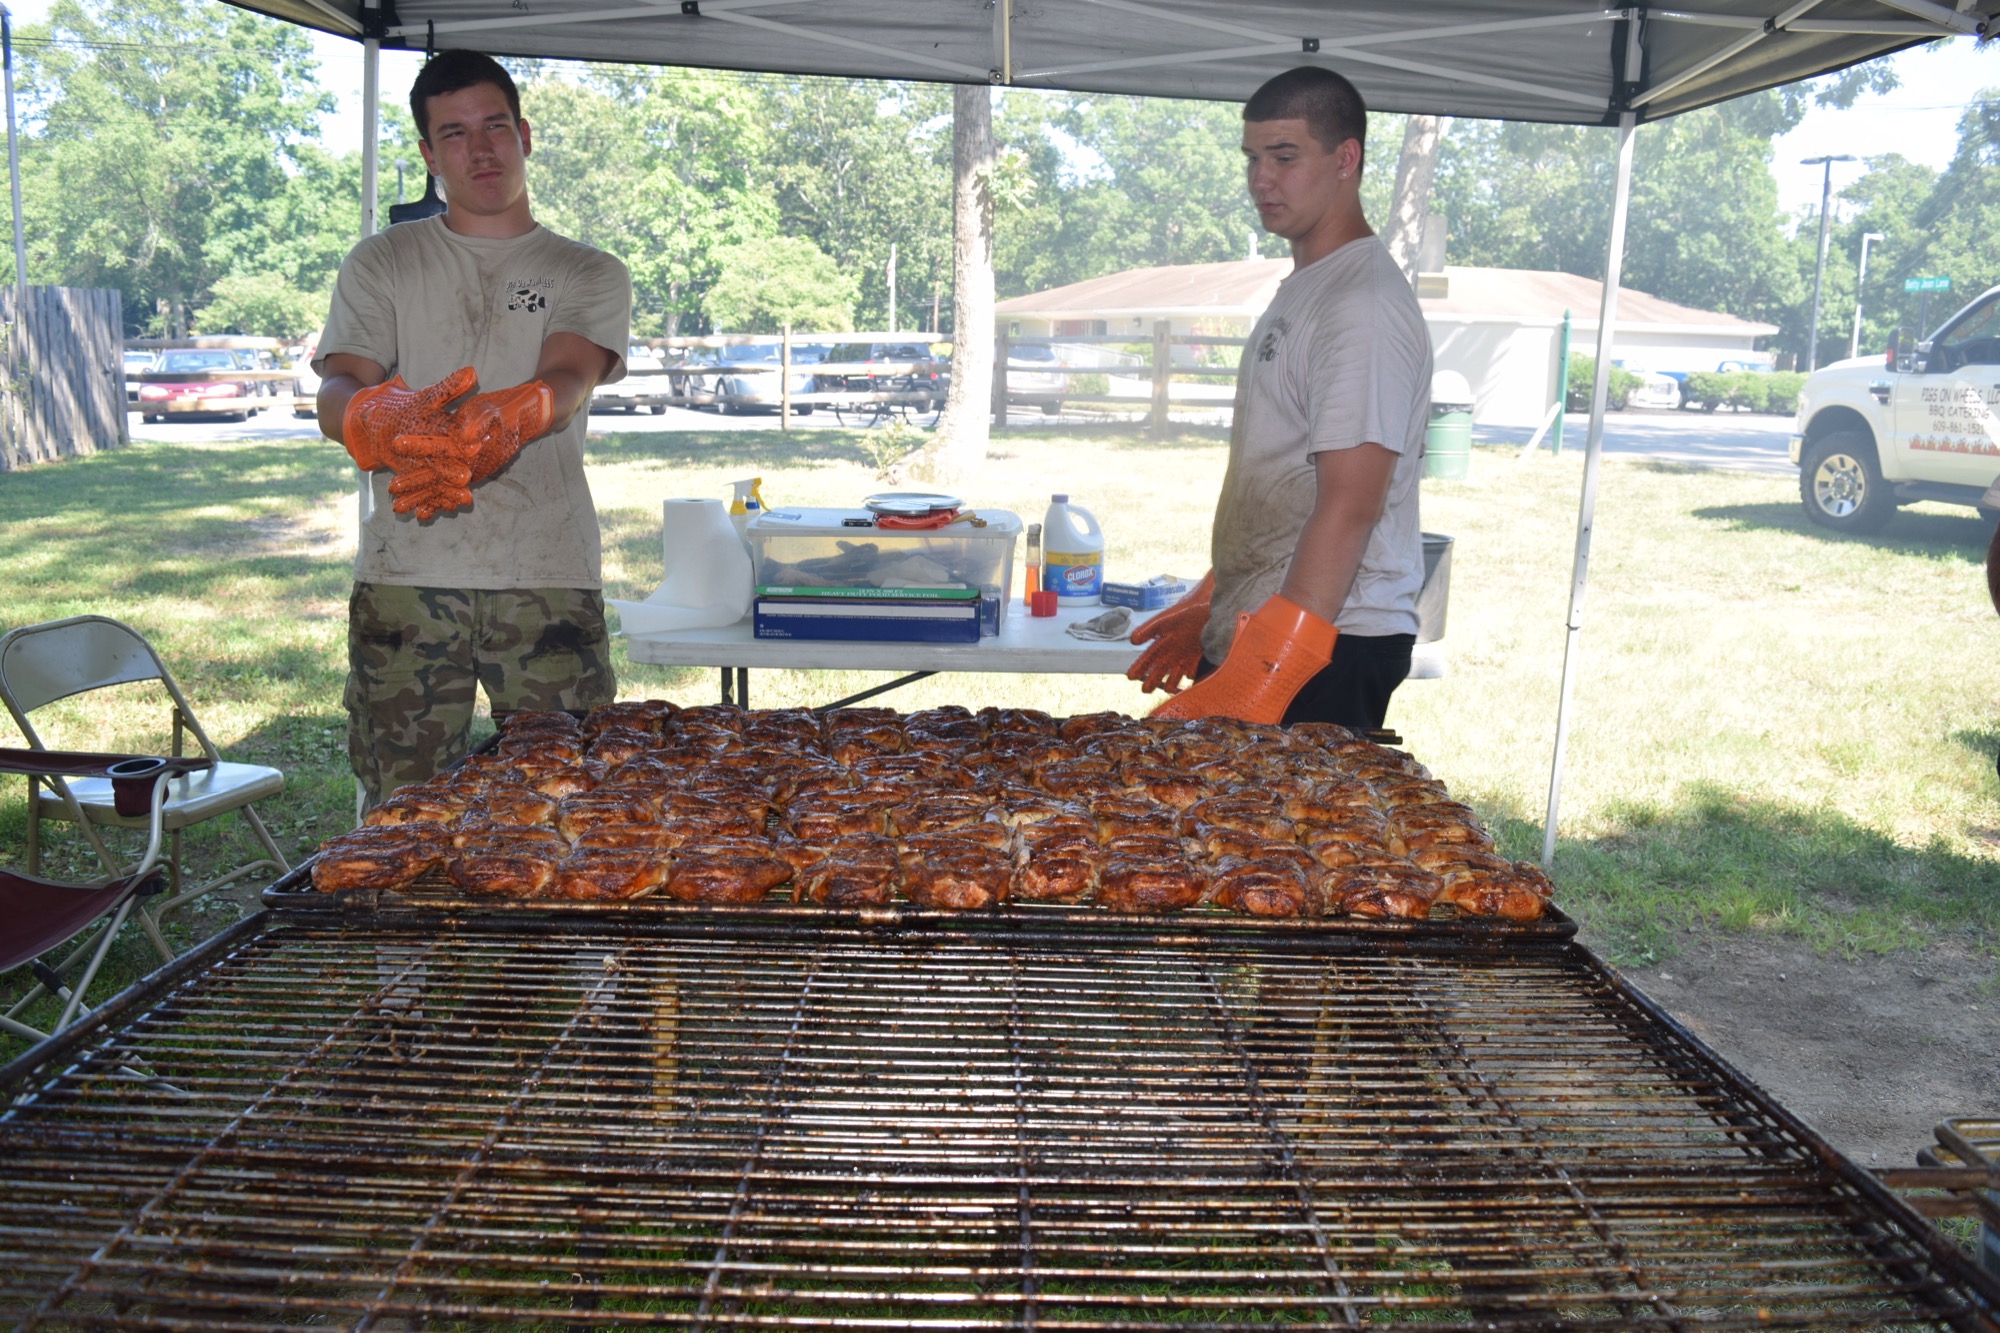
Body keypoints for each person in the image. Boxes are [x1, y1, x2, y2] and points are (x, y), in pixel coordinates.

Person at [314, 49, 631, 806]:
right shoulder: (382, 261)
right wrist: (373, 419)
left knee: (566, 799)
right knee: (403, 806)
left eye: (494, 125)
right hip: (406, 574)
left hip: (547, 569)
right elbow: (336, 383)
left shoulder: (586, 269)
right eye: (453, 134)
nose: (479, 148)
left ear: (525, 134)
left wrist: (514, 413)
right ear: (427, 154)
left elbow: (570, 374)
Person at [1127, 65, 1431, 734]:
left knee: (1276, 839)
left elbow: (1350, 506)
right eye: (1252, 158)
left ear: (1345, 158)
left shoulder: (1362, 307)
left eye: (1284, 156)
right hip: (1272, 626)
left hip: (1328, 642)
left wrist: (1267, 667)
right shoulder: (1308, 285)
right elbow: (1287, 476)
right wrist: (1214, 600)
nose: (1260, 179)